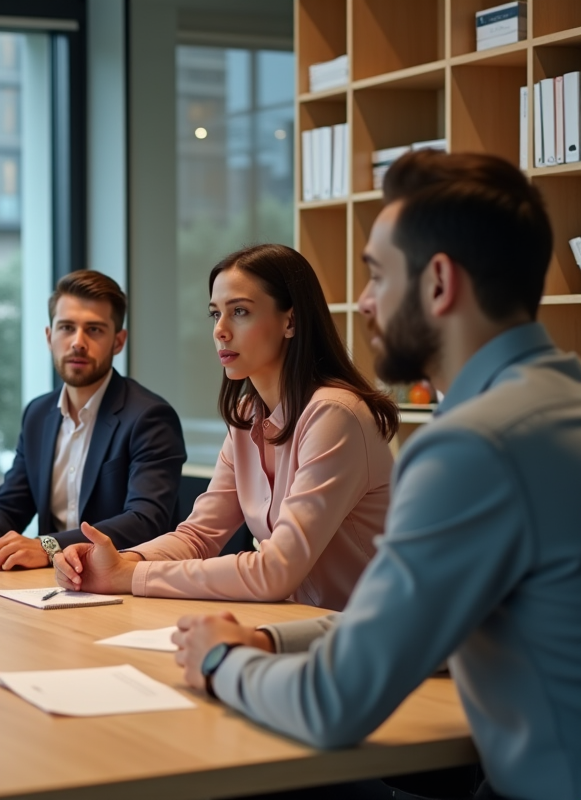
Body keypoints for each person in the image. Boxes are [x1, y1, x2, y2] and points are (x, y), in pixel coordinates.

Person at [173, 151, 581, 800]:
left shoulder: (472, 448)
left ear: (439, 283)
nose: (362, 303)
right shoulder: (555, 406)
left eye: (376, 276)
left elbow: (335, 704)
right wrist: (267, 637)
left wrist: (222, 661)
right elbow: (407, 619)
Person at [53, 245, 397, 611]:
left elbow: (275, 571)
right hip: (301, 627)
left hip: (372, 639)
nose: (220, 330)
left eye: (240, 312)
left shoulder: (334, 414)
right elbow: (198, 535)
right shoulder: (247, 414)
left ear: (291, 321)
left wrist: (128, 577)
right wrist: (118, 561)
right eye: (215, 313)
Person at [0, 269, 187, 570]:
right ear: (49, 336)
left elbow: (145, 521)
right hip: (50, 584)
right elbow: (11, 506)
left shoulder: (149, 417)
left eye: (94, 330)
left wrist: (48, 546)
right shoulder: (38, 415)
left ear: (118, 341)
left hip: (121, 585)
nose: (78, 342)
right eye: (67, 327)